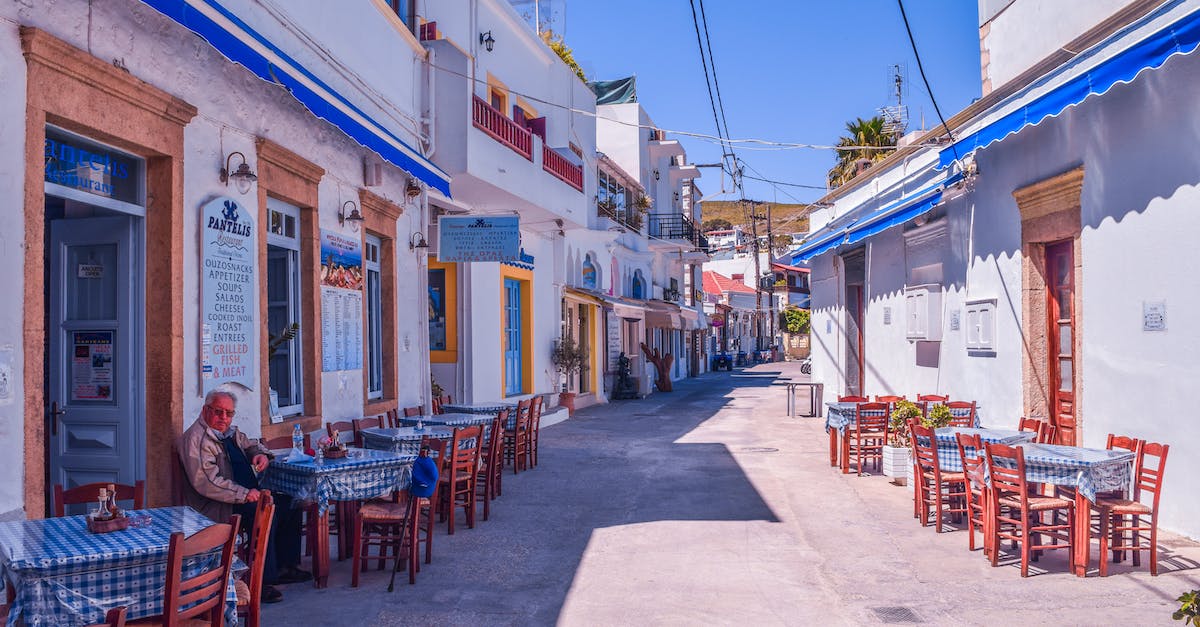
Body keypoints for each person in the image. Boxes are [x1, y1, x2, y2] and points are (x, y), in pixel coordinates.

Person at [179, 389, 311, 603]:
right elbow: (207, 483)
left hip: (245, 495)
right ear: (205, 410)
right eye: (218, 412)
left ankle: (285, 566)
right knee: (266, 513)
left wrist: (259, 454)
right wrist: (244, 493)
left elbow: (250, 443)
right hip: (218, 505)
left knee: (290, 502)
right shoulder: (197, 439)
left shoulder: (228, 432)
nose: (224, 418)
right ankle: (262, 581)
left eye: (229, 413)